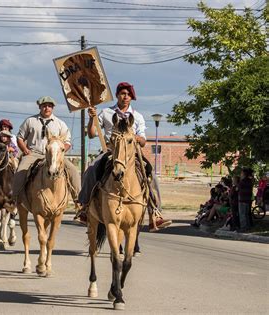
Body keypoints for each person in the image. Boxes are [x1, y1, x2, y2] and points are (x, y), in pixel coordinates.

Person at [76, 82, 171, 232]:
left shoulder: (137, 116)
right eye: (123, 94)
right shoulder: (106, 113)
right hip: (110, 151)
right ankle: (84, 208)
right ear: (117, 95)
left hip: (131, 153)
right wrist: (91, 119)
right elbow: (92, 134)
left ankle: (155, 213)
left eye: (128, 94)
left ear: (131, 97)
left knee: (151, 174)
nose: (125, 97)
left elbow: (144, 141)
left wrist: (133, 137)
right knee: (91, 170)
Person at [12, 96, 81, 204]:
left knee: (73, 170)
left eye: (49, 106)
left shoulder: (60, 124)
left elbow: (67, 142)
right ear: (40, 107)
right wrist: (25, 150)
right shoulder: (30, 121)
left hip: (55, 156)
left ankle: (79, 202)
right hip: (34, 153)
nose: (47, 108)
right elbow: (20, 138)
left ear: (52, 108)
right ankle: (14, 200)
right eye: (44, 106)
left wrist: (61, 152)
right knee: (21, 171)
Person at [238, 167, 254, 232]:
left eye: (241, 173)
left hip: (242, 199)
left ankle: (243, 227)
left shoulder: (242, 181)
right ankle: (248, 226)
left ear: (244, 174)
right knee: (246, 214)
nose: (240, 174)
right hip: (248, 199)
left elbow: (238, 188)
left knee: (242, 214)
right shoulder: (250, 181)